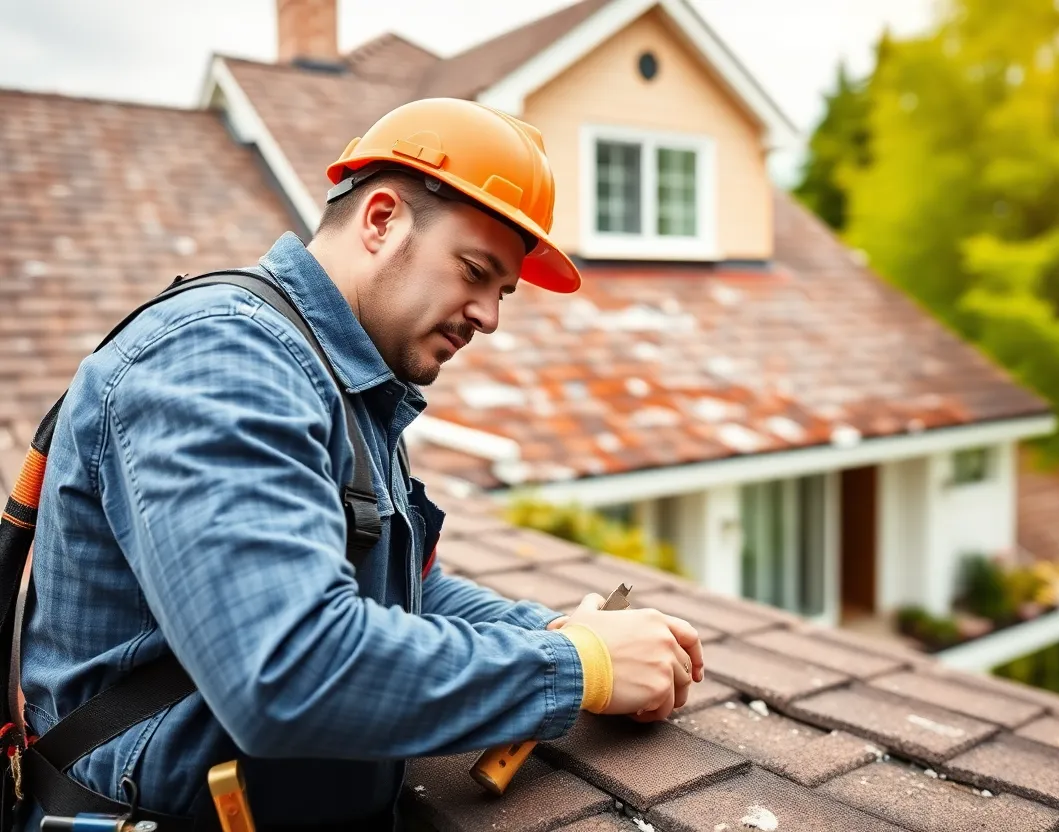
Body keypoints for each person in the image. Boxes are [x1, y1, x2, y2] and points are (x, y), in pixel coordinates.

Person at [15, 98, 703, 831]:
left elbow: (404, 591)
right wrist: (581, 672)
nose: (490, 316)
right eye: (474, 270)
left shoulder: (341, 381)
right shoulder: (219, 362)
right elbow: (288, 674)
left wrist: (562, 631)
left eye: (501, 291)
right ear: (381, 220)